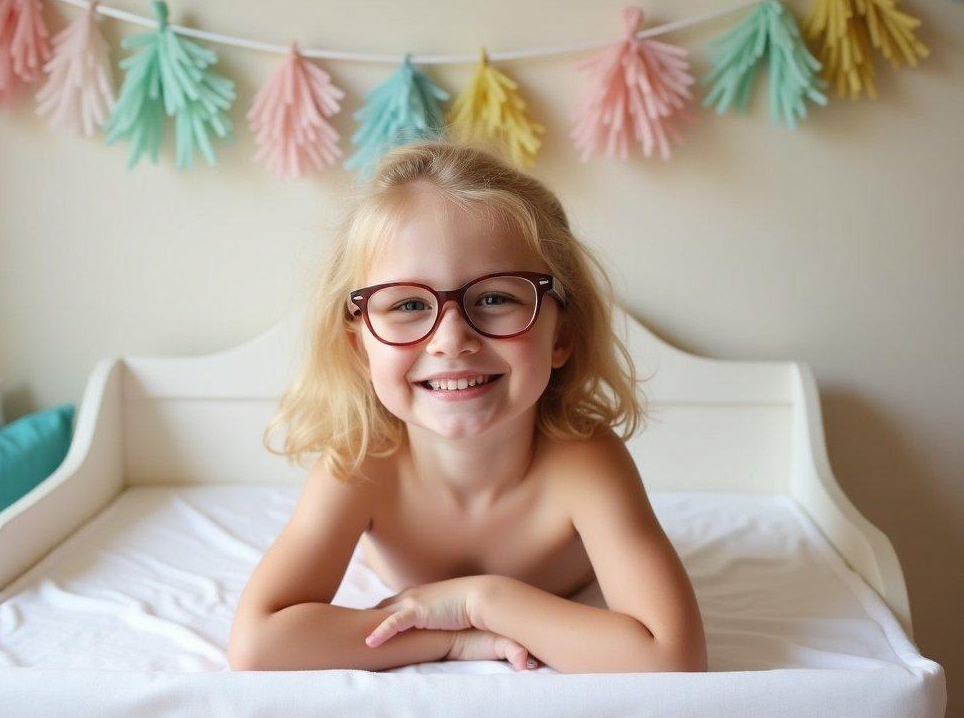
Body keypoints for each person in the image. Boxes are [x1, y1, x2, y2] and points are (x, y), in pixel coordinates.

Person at [228, 138, 707, 675]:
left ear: (561, 335)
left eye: (496, 298)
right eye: (408, 304)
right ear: (358, 346)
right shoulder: (361, 462)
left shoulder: (584, 460)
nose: (451, 340)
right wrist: (450, 641)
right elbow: (259, 645)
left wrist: (480, 602)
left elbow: (672, 657)